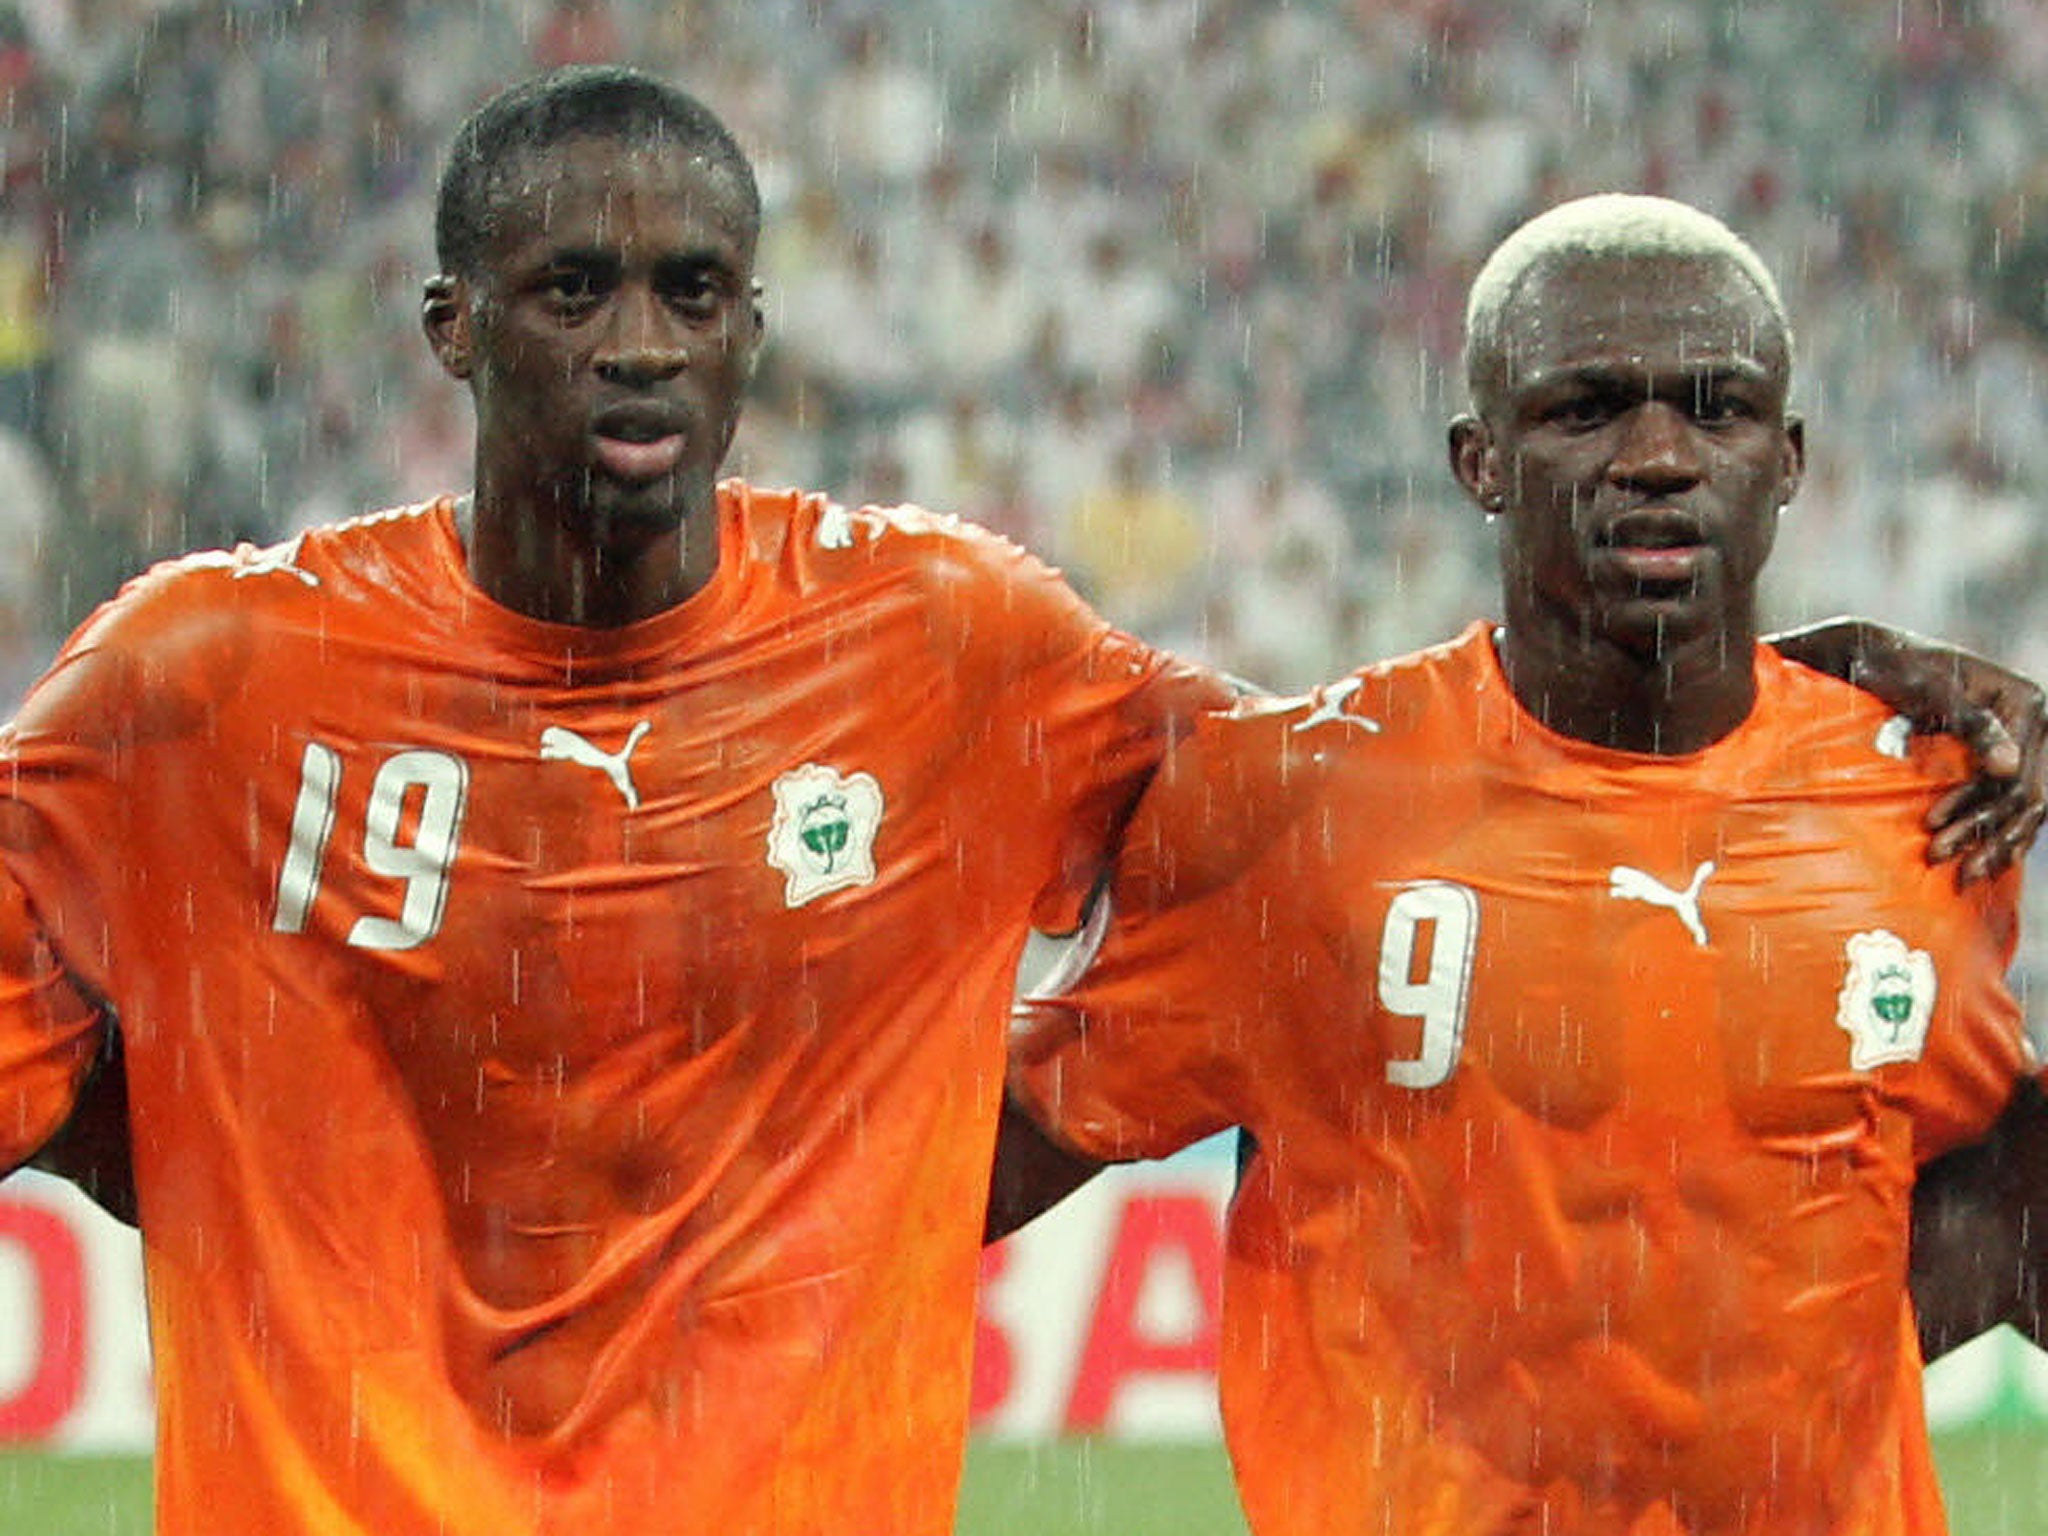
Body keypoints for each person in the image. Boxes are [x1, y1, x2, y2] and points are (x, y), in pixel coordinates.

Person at [0, 71, 2039, 1536]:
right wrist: (250, 1173)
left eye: (691, 293)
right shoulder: (207, 679)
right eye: (574, 292)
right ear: (453, 331)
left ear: (750, 339)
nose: (638, 344)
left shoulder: (951, 645)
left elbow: (1362, 790)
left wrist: (1790, 699)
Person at [1003, 194, 2043, 1535]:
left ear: (1787, 461)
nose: (1657, 455)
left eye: (1715, 410)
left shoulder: (1927, 799)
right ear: (1478, 461)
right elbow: (979, 1154)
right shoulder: (1291, 810)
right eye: (1586, 408)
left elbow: (1986, 1178)